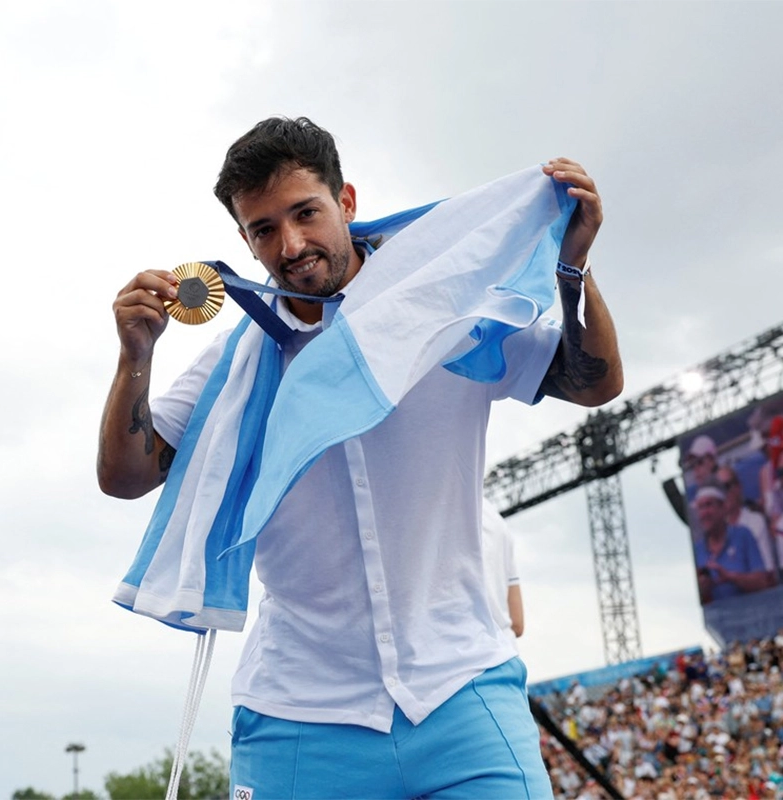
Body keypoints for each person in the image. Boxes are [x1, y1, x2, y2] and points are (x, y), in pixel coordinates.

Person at [97, 117, 623, 798]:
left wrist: (572, 266)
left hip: (462, 693)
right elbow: (126, 476)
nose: (290, 244)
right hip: (300, 718)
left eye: (305, 213)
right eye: (263, 230)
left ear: (345, 202)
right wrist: (134, 356)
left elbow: (593, 383)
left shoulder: (443, 309)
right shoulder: (230, 371)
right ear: (244, 241)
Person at [693, 485, 773, 604]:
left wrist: (731, 577)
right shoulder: (697, 550)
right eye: (700, 508)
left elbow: (763, 582)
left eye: (709, 505)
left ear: (723, 508)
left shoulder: (743, 535)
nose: (705, 513)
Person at [715, 465, 777, 576]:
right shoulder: (715, 531)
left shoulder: (755, 522)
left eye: (726, 487)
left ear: (738, 487)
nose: (723, 494)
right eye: (718, 489)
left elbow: (768, 573)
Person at [481, 497, 524, 642]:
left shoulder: (427, 510)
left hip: (461, 660)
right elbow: (517, 623)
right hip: (507, 654)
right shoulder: (497, 520)